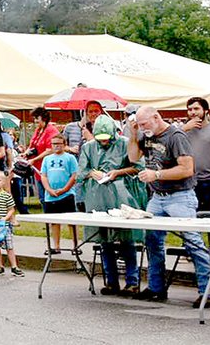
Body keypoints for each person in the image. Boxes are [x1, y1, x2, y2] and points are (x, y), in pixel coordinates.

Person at [129, 106, 210, 308]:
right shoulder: (145, 135)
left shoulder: (175, 136)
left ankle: (208, 291)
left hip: (180, 196)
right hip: (157, 196)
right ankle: (156, 287)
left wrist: (156, 175)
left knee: (192, 241)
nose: (142, 128)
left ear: (156, 117)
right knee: (152, 240)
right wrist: (133, 134)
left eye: (144, 124)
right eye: (139, 125)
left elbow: (187, 169)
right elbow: (133, 157)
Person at [77, 114, 146, 296]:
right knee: (104, 240)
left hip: (122, 194)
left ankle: (132, 281)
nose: (104, 143)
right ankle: (111, 281)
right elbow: (81, 171)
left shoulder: (124, 143)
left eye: (107, 139)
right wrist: (92, 173)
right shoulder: (88, 147)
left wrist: (118, 172)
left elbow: (139, 166)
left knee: (127, 238)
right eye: (100, 140)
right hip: (98, 196)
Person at [40, 135, 79, 254]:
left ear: (64, 144)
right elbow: (44, 175)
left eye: (59, 143)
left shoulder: (70, 158)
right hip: (50, 195)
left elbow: (74, 175)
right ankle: (55, 246)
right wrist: (49, 189)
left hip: (67, 194)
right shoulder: (47, 159)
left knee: (71, 222)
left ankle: (75, 246)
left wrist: (65, 189)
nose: (56, 146)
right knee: (54, 222)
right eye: (54, 144)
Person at [182, 97, 210, 212]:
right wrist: (184, 129)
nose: (193, 112)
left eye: (196, 108)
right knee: (193, 219)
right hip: (190, 182)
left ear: (206, 110)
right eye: (190, 109)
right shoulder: (183, 131)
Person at [23, 107, 60, 209]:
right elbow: (32, 145)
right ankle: (48, 222)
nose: (35, 121)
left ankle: (52, 220)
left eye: (37, 118)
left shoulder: (51, 130)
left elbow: (50, 150)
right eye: (34, 118)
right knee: (42, 197)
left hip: (49, 168)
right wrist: (26, 153)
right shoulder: (38, 130)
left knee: (48, 197)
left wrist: (35, 159)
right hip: (38, 169)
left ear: (43, 117)